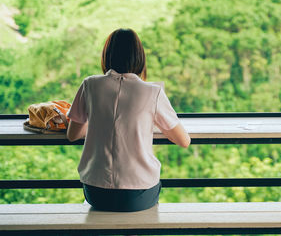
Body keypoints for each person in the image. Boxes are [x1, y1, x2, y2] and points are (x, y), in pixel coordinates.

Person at [66, 28, 190, 212]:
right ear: (139, 58)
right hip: (138, 194)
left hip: (95, 192)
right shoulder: (153, 92)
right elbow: (183, 141)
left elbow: (73, 134)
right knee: (148, 201)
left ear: (107, 56)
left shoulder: (89, 84)